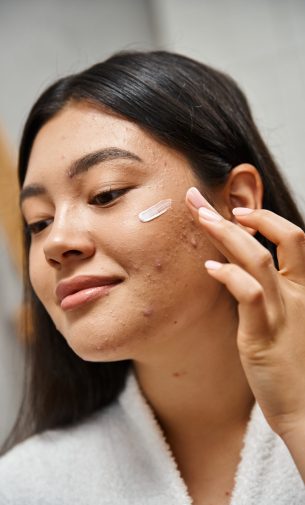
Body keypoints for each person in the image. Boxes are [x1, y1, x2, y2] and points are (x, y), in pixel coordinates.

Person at [0, 50, 305, 505]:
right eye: (38, 222)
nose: (55, 241)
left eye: (106, 194)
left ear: (237, 202)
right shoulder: (26, 486)